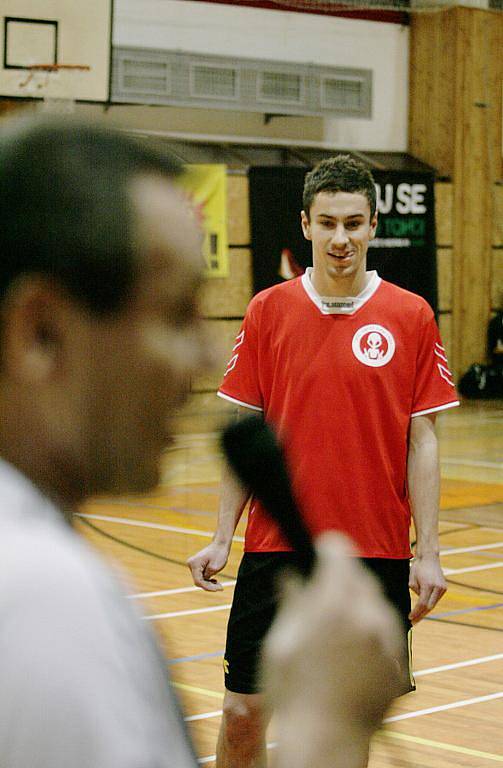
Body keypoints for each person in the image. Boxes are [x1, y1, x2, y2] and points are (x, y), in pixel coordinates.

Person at [0, 117, 402, 768]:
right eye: (175, 312)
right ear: (41, 332)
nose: (205, 354)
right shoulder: (42, 604)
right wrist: (326, 728)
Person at [188, 154, 460, 768]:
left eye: (355, 223)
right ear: (306, 225)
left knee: (344, 728)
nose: (342, 238)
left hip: (376, 552)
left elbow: (424, 441)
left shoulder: (411, 314)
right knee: (240, 715)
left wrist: (431, 550)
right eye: (329, 222)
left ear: (372, 226)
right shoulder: (267, 310)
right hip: (274, 548)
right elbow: (246, 434)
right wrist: (220, 537)